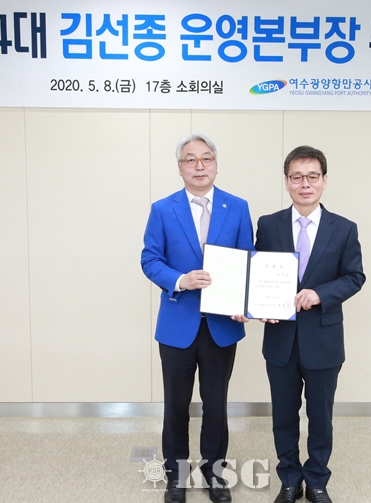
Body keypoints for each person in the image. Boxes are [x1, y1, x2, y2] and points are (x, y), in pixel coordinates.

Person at [141, 134, 254, 503]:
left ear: (216, 164)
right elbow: (150, 259)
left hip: (222, 325)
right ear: (180, 168)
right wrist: (180, 280)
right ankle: (176, 476)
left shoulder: (237, 207)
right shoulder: (163, 209)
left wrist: (245, 302)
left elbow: (248, 260)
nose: (199, 166)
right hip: (178, 324)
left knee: (216, 405)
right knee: (175, 405)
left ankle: (214, 474)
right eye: (191, 159)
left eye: (206, 158)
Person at [255, 146, 365, 503]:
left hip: (324, 340)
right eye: (297, 177)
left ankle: (317, 479)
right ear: (287, 181)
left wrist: (320, 294)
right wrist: (257, 305)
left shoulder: (344, 228)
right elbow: (257, 274)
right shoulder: (268, 225)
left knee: (320, 418)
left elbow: (354, 277)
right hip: (280, 340)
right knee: (284, 417)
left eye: (312, 177)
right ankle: (289, 479)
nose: (305, 184)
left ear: (324, 180)